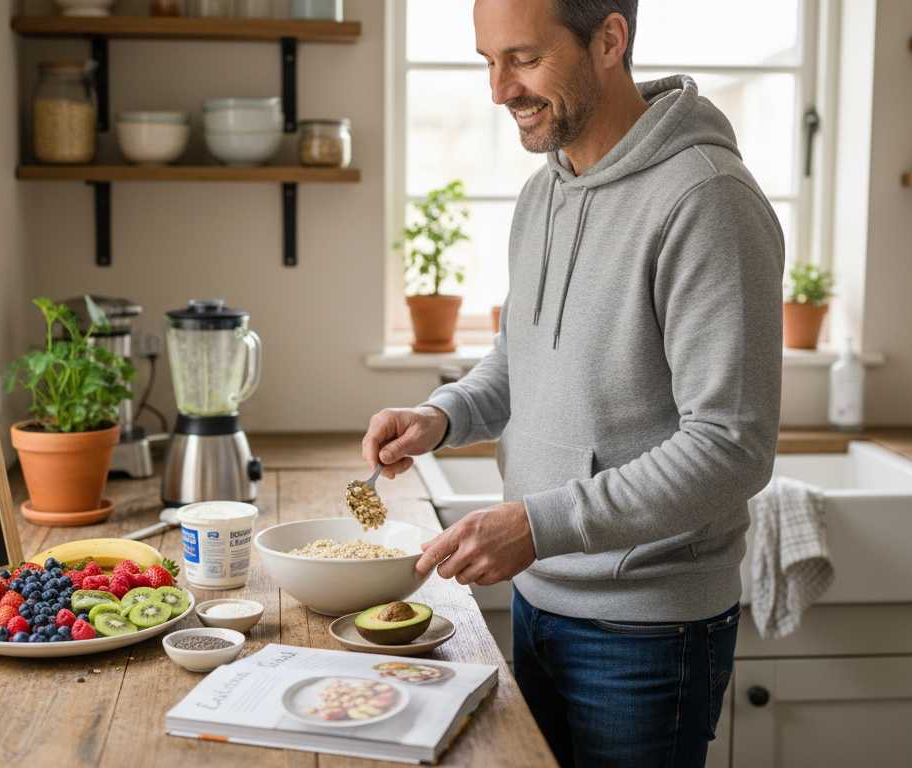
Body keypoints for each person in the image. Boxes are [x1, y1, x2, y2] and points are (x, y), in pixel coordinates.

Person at [361, 0, 784, 765]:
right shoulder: (544, 192)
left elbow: (732, 448)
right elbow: (521, 359)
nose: (498, 90)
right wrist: (442, 415)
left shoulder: (708, 199)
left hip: (648, 635)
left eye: (522, 58)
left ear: (609, 42)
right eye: (486, 60)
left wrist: (537, 525)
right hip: (539, 604)